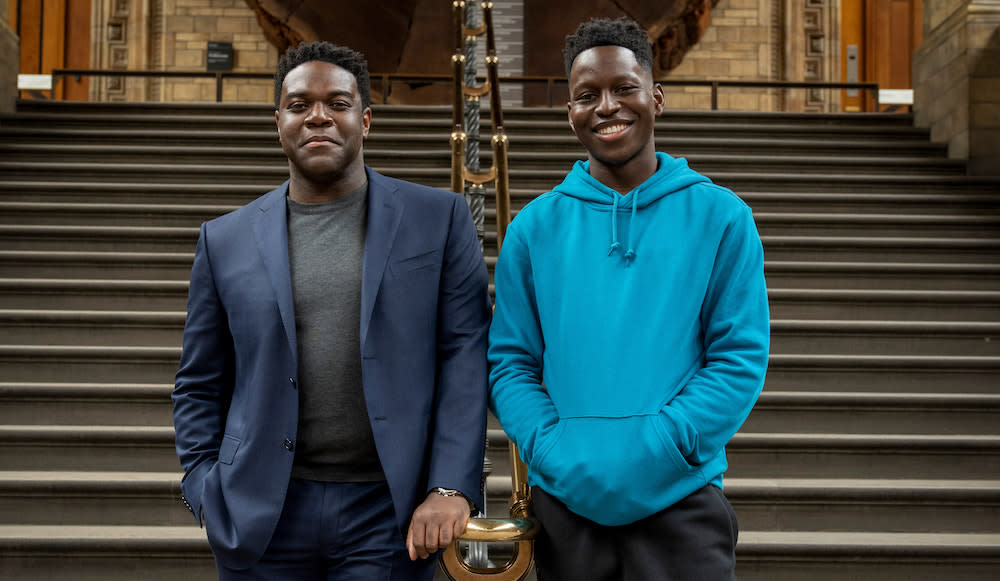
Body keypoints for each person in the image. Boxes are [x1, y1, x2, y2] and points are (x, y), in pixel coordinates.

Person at [172, 41, 491, 581]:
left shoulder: (439, 218)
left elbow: (465, 356)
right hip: (261, 513)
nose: (318, 116)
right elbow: (199, 381)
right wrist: (205, 487)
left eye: (337, 103)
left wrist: (450, 486)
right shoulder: (223, 240)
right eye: (299, 105)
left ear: (364, 120)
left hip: (389, 515)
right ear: (279, 122)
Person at [488, 17, 770, 581]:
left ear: (656, 98)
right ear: (570, 112)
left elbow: (738, 358)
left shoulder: (721, 217)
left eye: (624, 89)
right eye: (587, 95)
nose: (606, 106)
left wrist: (664, 446)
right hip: (566, 503)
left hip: (681, 498)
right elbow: (510, 363)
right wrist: (550, 447)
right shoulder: (533, 229)